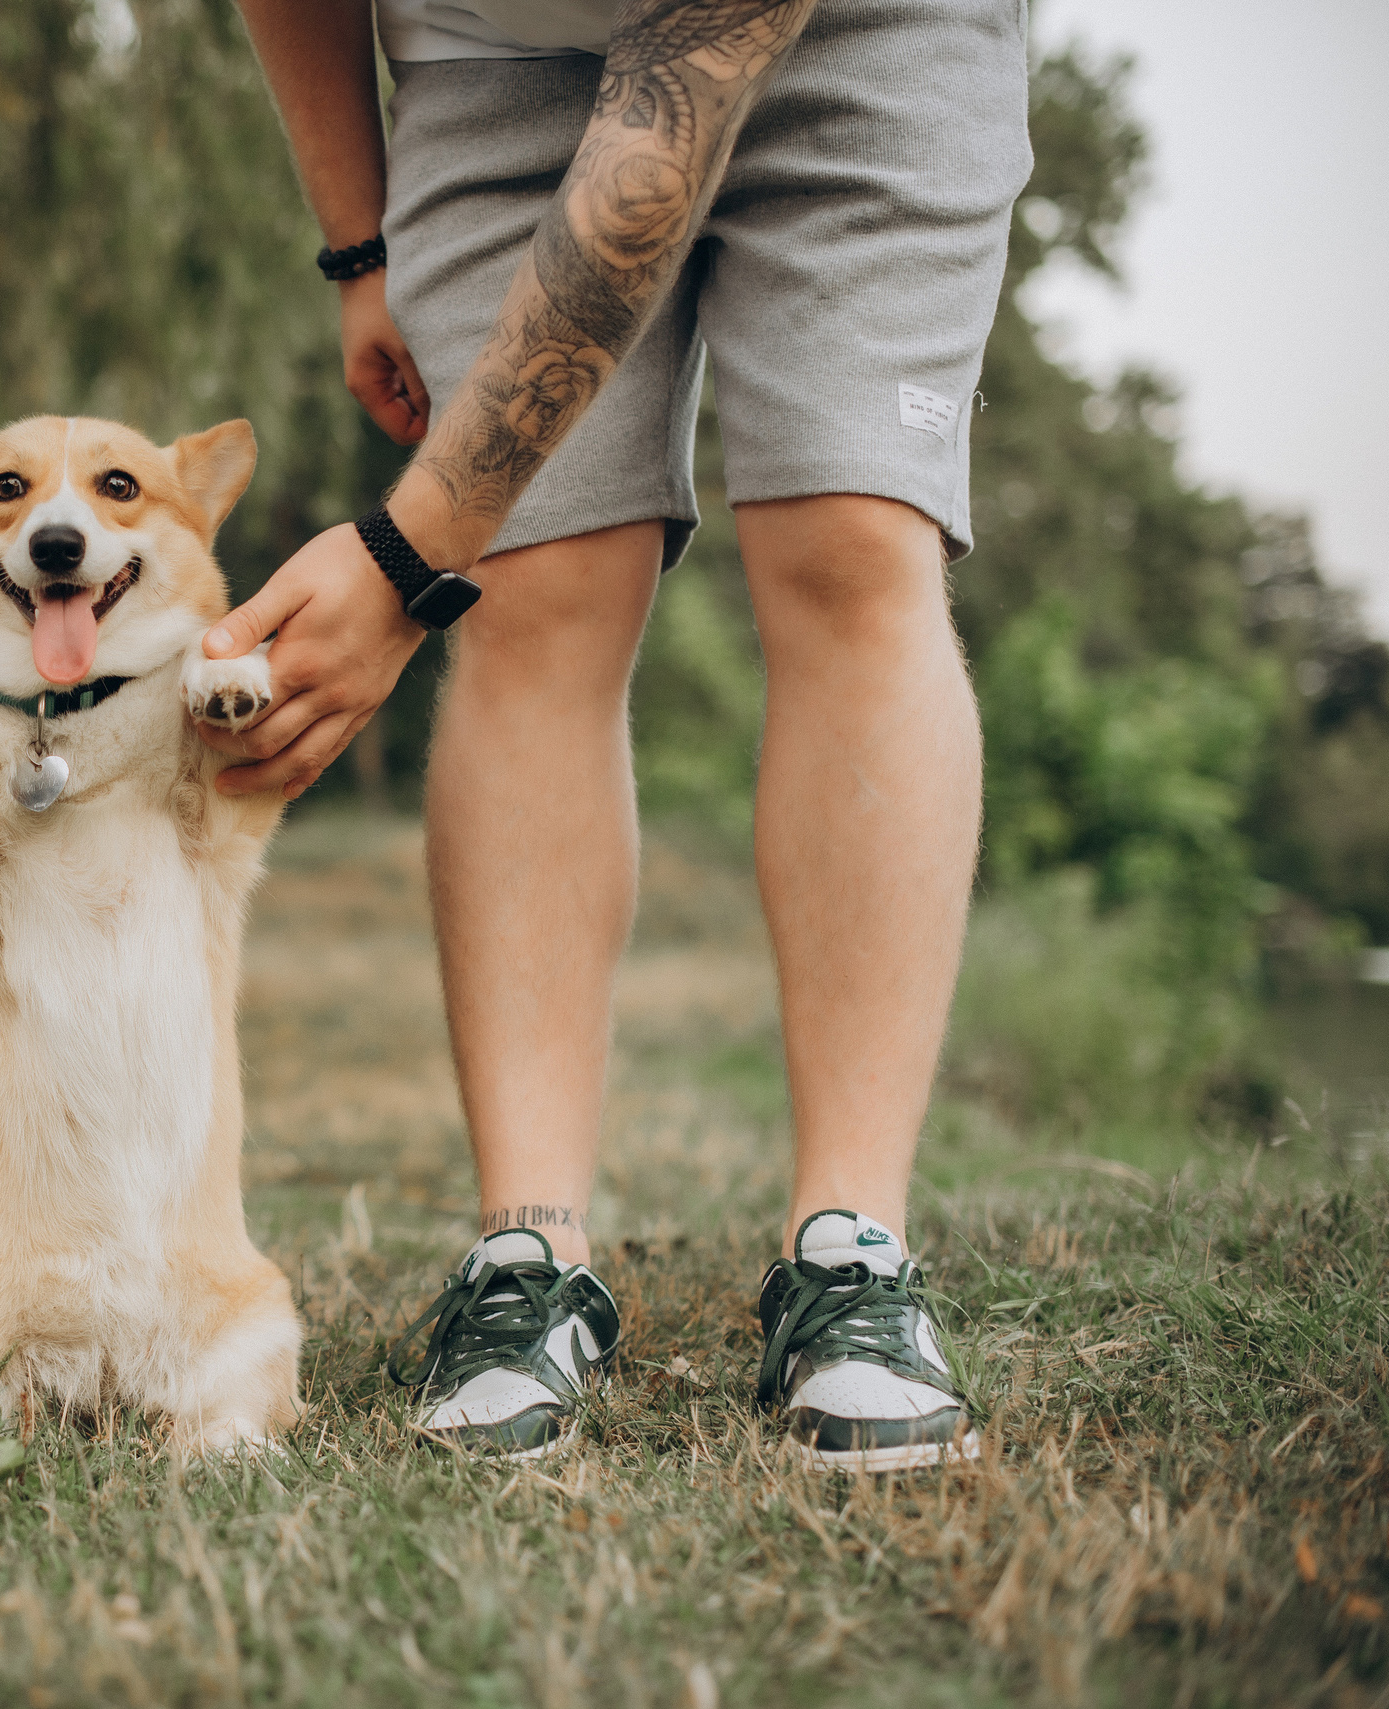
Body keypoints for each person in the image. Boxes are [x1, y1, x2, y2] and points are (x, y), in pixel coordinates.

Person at [218, 0, 1029, 1469]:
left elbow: (678, 99)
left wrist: (404, 557)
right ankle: (528, 1254)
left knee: (852, 541)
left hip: (861, 37)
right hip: (490, 61)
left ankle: (851, 1248)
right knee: (533, 585)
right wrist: (358, 244)